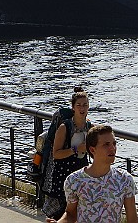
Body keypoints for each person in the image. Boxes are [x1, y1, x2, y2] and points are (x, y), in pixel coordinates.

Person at [47, 123, 138, 223]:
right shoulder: (74, 180)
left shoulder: (125, 179)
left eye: (114, 144)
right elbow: (71, 214)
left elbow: (132, 219)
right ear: (92, 149)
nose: (113, 148)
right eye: (106, 144)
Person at [42, 87, 92, 219]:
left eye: (85, 105)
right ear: (73, 108)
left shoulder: (89, 127)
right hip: (62, 175)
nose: (82, 108)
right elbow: (56, 153)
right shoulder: (65, 127)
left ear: (88, 107)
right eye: (79, 105)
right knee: (60, 213)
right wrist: (76, 149)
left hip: (81, 172)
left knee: (79, 211)